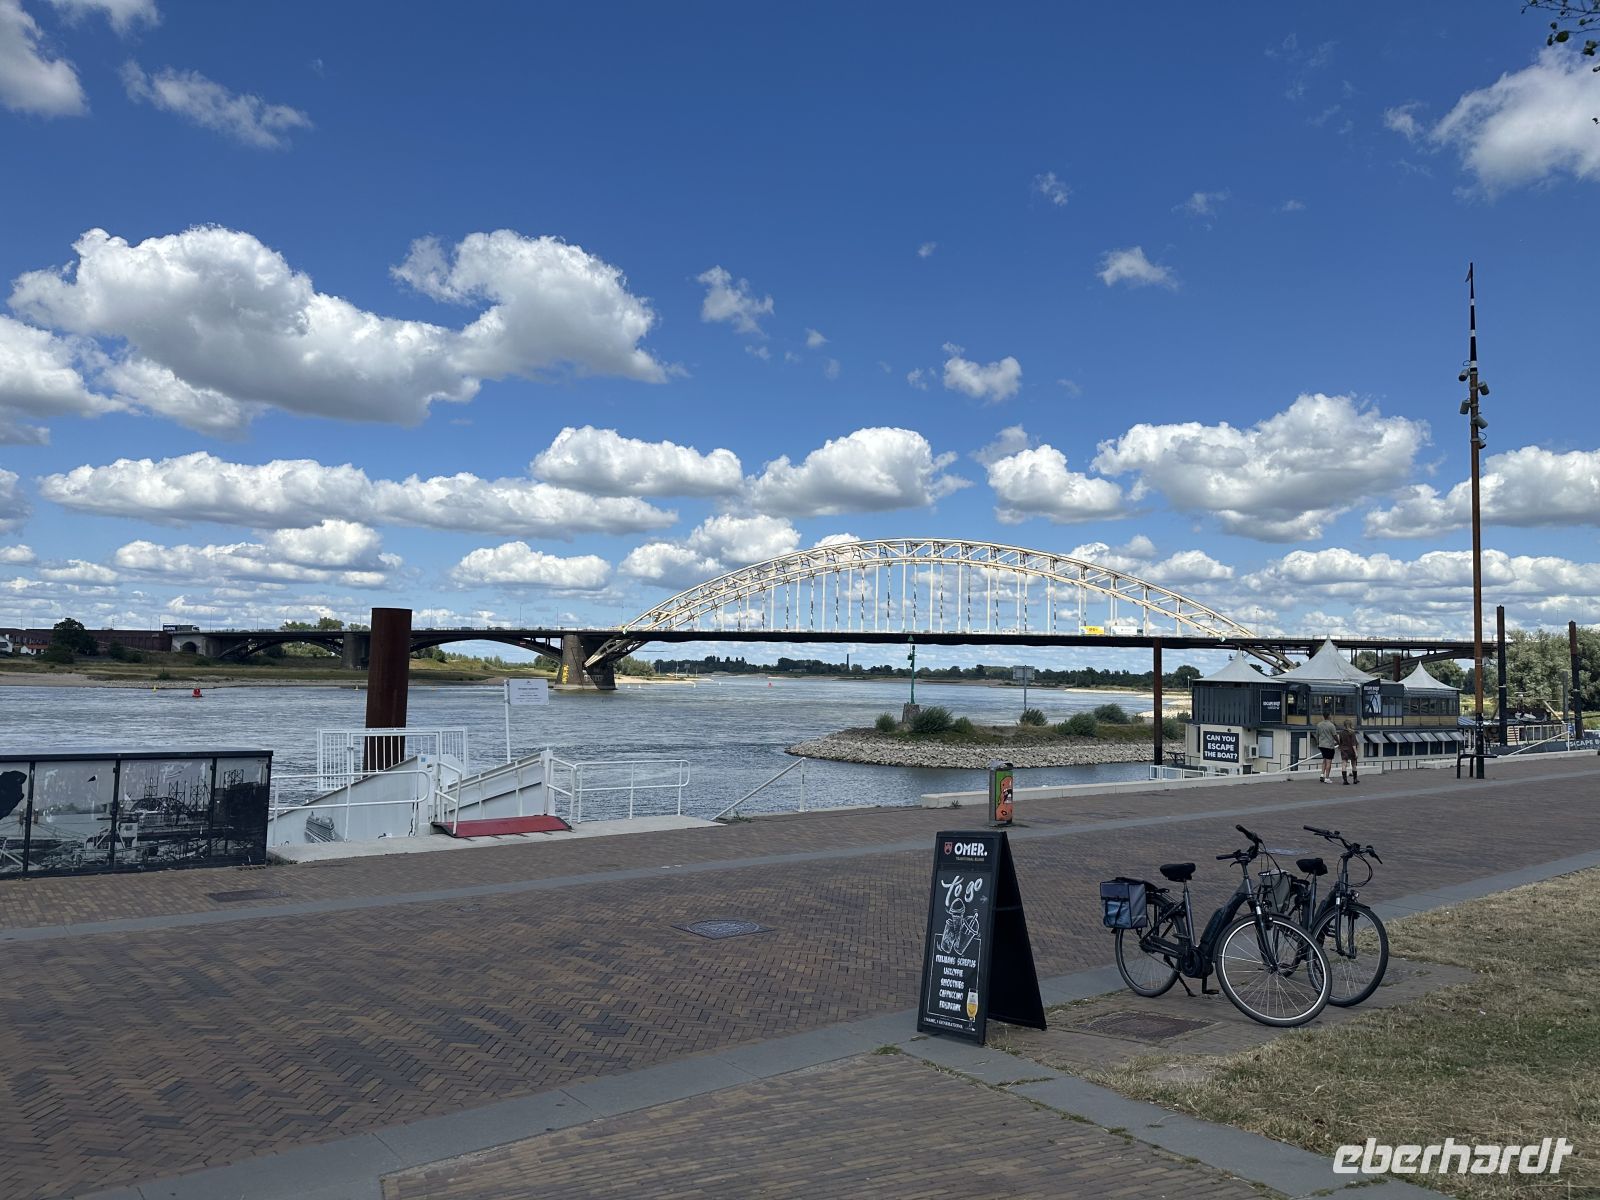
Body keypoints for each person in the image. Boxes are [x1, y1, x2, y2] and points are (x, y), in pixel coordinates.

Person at [1314, 713, 1339, 783]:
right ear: (1329, 716)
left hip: (1321, 745)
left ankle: (1322, 775)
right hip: (1329, 746)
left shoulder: (1319, 725)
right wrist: (1338, 742)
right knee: (1329, 762)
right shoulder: (1331, 725)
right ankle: (1327, 778)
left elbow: (1317, 735)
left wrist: (1318, 743)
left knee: (1324, 760)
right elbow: (1334, 735)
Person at [1337, 718, 1360, 785]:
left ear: (1344, 725)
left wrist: (1340, 747)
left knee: (1344, 764)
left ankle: (1345, 780)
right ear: (1350, 725)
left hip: (1344, 749)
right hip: (1351, 750)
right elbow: (1353, 744)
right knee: (1354, 764)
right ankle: (1355, 779)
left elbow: (1339, 742)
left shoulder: (1341, 733)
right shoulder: (1352, 733)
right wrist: (1356, 752)